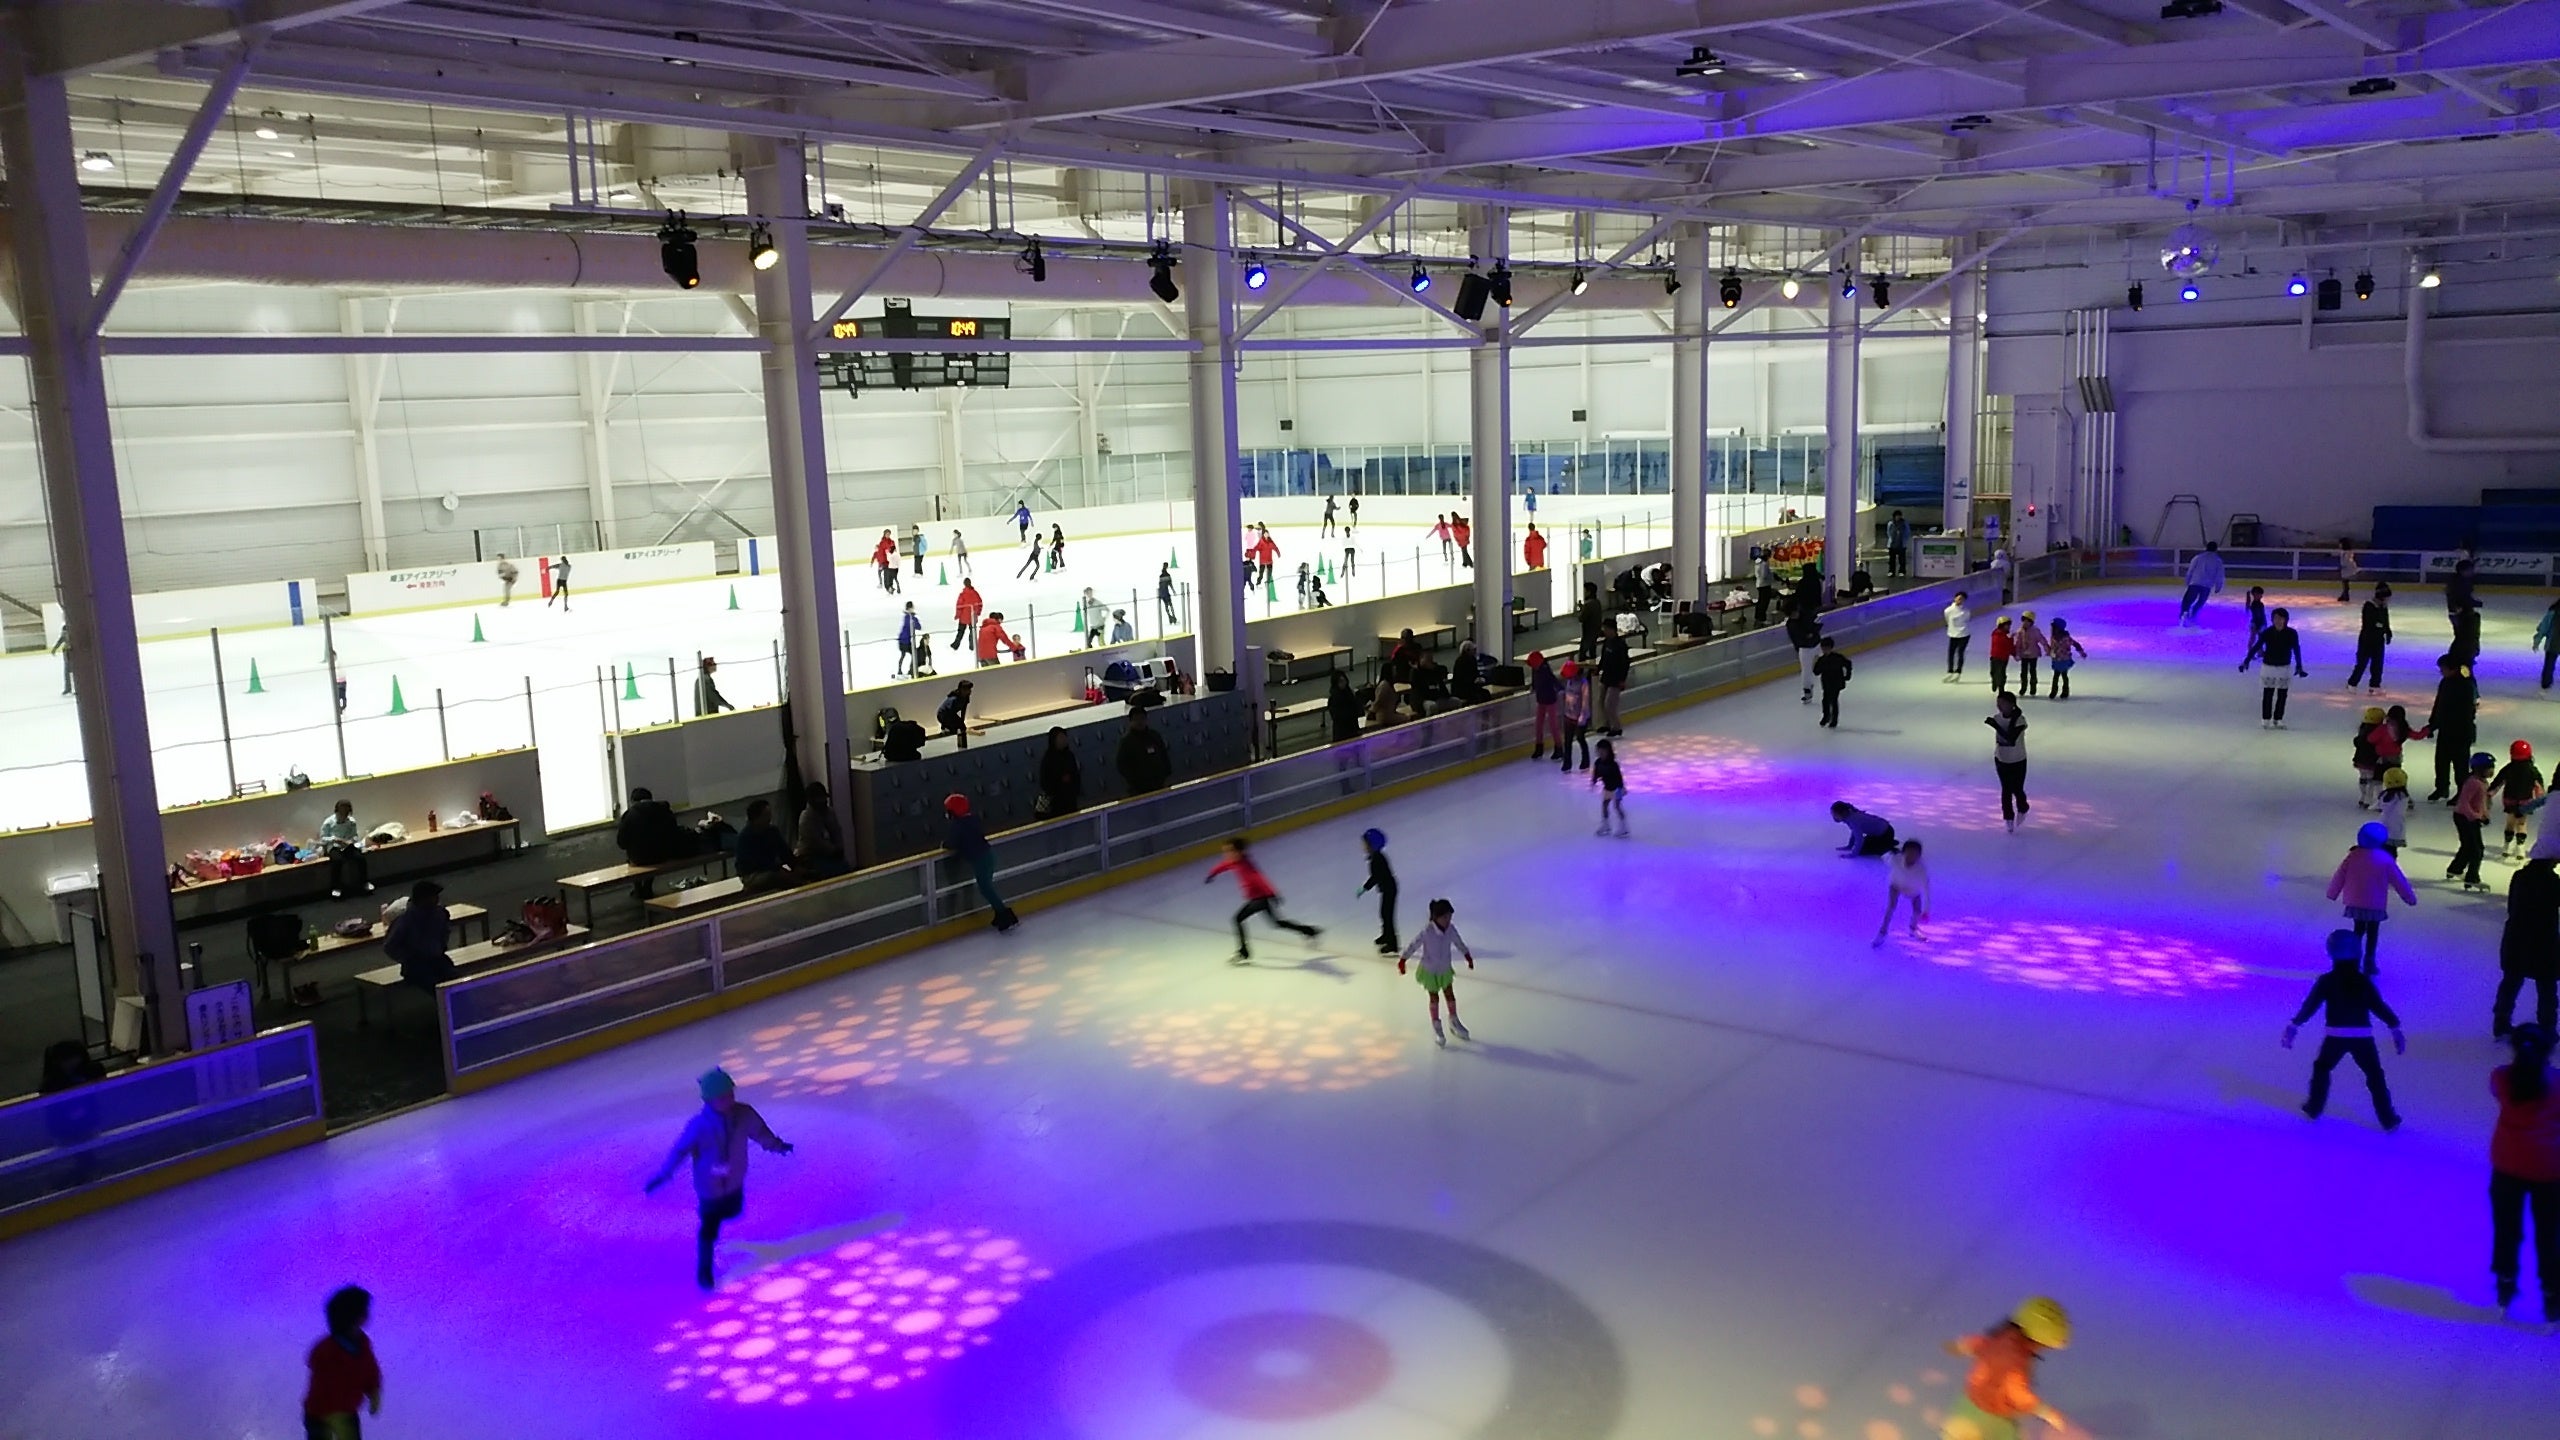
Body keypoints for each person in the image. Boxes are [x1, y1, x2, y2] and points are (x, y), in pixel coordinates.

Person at [644, 1067, 795, 1290]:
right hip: (709, 1187)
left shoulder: (744, 1114)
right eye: (721, 1097)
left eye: (730, 1094)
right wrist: (665, 1173)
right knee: (710, 1226)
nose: (728, 1099)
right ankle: (704, 1270)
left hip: (735, 1178)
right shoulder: (699, 1126)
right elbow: (680, 1150)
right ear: (708, 1100)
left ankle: (721, 1221)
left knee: (733, 1211)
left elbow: (761, 1133)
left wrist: (777, 1146)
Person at [2285, 930, 2406, 1129]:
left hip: (2336, 1036)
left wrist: (2294, 1025)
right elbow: (2378, 1006)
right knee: (2374, 1074)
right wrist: (2394, 1027)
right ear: (2358, 952)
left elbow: (2311, 1005)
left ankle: (2314, 1107)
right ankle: (2388, 1118)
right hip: (2362, 1037)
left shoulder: (2326, 981)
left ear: (2331, 952)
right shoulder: (2363, 981)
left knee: (2322, 1068)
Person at [2489, 1024, 2560, 1322]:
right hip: (2548, 1167)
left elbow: (2497, 1092)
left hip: (2507, 1165)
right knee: (2549, 1234)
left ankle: (2505, 1286)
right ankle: (2552, 1297)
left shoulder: (2500, 1078)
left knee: (2507, 1230)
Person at [1940, 1298, 2073, 1440]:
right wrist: (2046, 1412)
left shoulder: (2000, 1339)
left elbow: (1979, 1344)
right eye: (2044, 1346)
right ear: (2037, 1340)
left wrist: (1959, 1346)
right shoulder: (2016, 1360)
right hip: (1992, 1418)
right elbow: (2017, 1393)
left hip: (1969, 1406)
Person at [1206, 836, 1320, 961]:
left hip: (1259, 899)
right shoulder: (1233, 862)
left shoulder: (1247, 865)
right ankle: (1310, 931)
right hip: (1258, 898)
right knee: (1277, 923)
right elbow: (1223, 866)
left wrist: (1273, 893)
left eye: (1229, 851)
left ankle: (1243, 951)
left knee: (1237, 919)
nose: (1226, 854)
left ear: (1239, 852)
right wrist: (1212, 873)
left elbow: (1260, 878)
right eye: (1225, 851)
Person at [2328, 822, 2418, 973]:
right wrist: (2409, 897)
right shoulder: (2385, 859)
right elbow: (2398, 880)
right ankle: (2369, 960)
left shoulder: (2353, 856)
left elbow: (2340, 875)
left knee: (2358, 930)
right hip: (2375, 903)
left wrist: (2332, 892)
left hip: (2356, 901)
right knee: (2372, 932)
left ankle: (2353, 959)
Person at [301, 1285, 382, 1440]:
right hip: (319, 1414)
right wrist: (331, 1413)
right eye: (364, 1311)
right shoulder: (325, 1351)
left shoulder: (363, 1343)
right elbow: (322, 1384)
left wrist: (374, 1390)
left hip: (347, 1411)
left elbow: (371, 1370)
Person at [2501, 837, 2560, 1038]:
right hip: (2544, 939)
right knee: (2546, 985)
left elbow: (2512, 905)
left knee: (2511, 980)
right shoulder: (2553, 882)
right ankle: (2548, 1026)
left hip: (2516, 935)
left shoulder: (2520, 876)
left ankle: (2501, 1020)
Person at [1399, 898, 1475, 1046]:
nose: (1448, 920)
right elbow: (1414, 945)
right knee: (1434, 997)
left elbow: (1458, 942)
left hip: (1444, 968)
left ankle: (1454, 1020)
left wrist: (1467, 955)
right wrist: (1403, 959)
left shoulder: (1451, 930)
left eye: (1449, 917)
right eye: (1445, 917)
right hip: (1430, 970)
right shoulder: (1427, 932)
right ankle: (1436, 1025)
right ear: (1436, 917)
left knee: (1449, 994)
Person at [943, 795, 1018, 932]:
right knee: (987, 888)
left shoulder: (958, 826)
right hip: (988, 855)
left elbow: (951, 843)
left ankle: (1005, 914)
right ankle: (1000, 913)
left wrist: (945, 844)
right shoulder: (973, 819)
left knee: (985, 889)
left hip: (980, 860)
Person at [2240, 606, 2310, 728]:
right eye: (2276, 618)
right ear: (2272, 619)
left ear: (2286, 619)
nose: (2278, 621)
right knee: (2268, 694)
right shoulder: (2267, 632)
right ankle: (2266, 718)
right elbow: (2257, 646)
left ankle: (2278, 718)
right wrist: (2246, 660)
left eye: (2281, 618)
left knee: (2282, 695)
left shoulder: (2291, 633)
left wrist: (2299, 665)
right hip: (2269, 666)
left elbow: (2296, 649)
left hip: (2284, 667)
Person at [617, 786, 694, 895]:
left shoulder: (628, 815)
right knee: (654, 848)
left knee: (633, 855)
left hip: (639, 858)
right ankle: (647, 886)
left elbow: (622, 843)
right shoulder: (664, 810)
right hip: (663, 855)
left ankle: (638, 889)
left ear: (633, 801)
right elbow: (674, 833)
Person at [2427, 652, 2478, 802]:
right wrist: (2433, 724)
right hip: (2445, 729)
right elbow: (2439, 704)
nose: (2441, 672)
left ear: (2452, 668)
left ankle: (2462, 791)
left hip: (2461, 731)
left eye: (2442, 669)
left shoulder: (2466, 685)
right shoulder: (2445, 682)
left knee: (2460, 764)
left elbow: (2467, 711)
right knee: (2441, 761)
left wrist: (2443, 723)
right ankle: (2441, 787)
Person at [383, 880, 453, 989]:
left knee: (455, 980)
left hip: (437, 959)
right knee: (436, 986)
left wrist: (441, 946)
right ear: (422, 899)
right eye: (433, 896)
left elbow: (445, 931)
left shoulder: (439, 913)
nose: (436, 899)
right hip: (416, 965)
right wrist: (408, 957)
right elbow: (390, 946)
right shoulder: (406, 919)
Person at [1873, 838, 1931, 946]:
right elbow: (1885, 856)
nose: (1911, 857)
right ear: (1903, 853)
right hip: (1896, 885)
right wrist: (1886, 853)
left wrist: (1926, 910)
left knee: (1917, 910)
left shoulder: (1921, 870)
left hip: (1913, 889)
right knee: (1891, 907)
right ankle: (1882, 932)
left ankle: (1913, 928)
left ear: (1919, 856)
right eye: (1909, 853)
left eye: (1915, 854)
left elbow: (1926, 889)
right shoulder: (1895, 859)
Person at [2454, 750, 2497, 891]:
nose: (2492, 771)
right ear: (2479, 769)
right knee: (2477, 849)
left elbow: (2481, 802)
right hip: (2464, 818)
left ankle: (2456, 868)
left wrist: (2484, 815)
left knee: (2468, 846)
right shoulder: (2473, 783)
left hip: (2468, 817)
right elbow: (2463, 803)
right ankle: (2472, 878)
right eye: (2489, 768)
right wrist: (2476, 817)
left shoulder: (2482, 783)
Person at [1987, 691, 2030, 833]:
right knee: (2006, 789)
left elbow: (2011, 739)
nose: (1999, 706)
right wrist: (1995, 724)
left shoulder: (2020, 720)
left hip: (2018, 759)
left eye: (2003, 703)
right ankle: (2008, 817)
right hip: (2001, 759)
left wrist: (1996, 726)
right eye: (1998, 703)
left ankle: (2023, 807)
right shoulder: (1997, 718)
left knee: (2017, 789)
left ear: (2012, 705)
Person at [2497, 740, 2547, 855]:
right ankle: (2520, 847)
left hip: (2510, 799)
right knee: (2521, 823)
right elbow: (2538, 784)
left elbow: (2499, 781)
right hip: (2525, 800)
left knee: (2510, 822)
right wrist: (2540, 796)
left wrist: (2489, 792)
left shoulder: (2508, 768)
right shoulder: (2532, 770)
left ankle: (2507, 845)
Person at [735, 798, 791, 896]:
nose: (770, 818)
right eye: (766, 815)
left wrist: (795, 865)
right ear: (756, 818)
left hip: (772, 868)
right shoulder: (745, 837)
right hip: (752, 874)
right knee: (776, 877)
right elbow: (754, 863)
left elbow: (785, 851)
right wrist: (778, 869)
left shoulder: (772, 831)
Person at [1357, 827, 1399, 955]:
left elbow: (1375, 877)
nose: (1363, 846)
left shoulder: (1377, 859)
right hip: (1387, 888)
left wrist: (1364, 888)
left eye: (1365, 843)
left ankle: (1392, 944)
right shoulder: (1375, 857)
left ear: (1372, 845)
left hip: (1389, 889)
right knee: (1384, 913)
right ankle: (1386, 935)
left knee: (1387, 915)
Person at [318, 799, 371, 899]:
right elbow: (323, 838)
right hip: (334, 846)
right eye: (342, 810)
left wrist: (350, 841)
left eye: (346, 810)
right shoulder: (329, 822)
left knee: (360, 858)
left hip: (347, 845)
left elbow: (355, 836)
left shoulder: (351, 821)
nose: (344, 813)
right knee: (337, 861)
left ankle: (364, 882)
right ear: (337, 810)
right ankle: (336, 887)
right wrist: (335, 839)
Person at [794, 782, 845, 878]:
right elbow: (816, 842)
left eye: (824, 798)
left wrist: (839, 847)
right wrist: (833, 850)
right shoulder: (806, 818)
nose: (823, 801)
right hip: (810, 855)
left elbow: (837, 831)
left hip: (829, 853)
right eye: (819, 798)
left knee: (844, 867)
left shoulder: (830, 812)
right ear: (811, 801)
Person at [2351, 583, 2395, 693]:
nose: (2387, 600)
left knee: (2377, 664)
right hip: (2367, 639)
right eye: (2386, 597)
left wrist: (2388, 632)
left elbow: (2385, 621)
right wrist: (2381, 627)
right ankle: (2352, 683)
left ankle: (2375, 685)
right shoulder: (2369, 606)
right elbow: (2369, 623)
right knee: (2362, 663)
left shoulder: (2383, 607)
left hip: (2379, 640)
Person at [1117, 706, 1172, 795]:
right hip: (1138, 787)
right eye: (1136, 719)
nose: (1140, 722)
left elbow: (1164, 755)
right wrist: (1133, 780)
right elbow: (1121, 765)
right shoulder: (1126, 742)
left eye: (1142, 719)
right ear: (1130, 721)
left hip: (1158, 783)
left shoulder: (1154, 736)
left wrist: (1166, 773)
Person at [1036, 726, 1082, 818]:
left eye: (1064, 737)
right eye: (1060, 738)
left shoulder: (1069, 755)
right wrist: (1060, 781)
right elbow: (1045, 782)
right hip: (1055, 803)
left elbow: (1075, 774)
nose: (1064, 740)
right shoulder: (1048, 759)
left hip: (1070, 799)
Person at [2176, 540, 2224, 624]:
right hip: (2207, 585)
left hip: (2195, 582)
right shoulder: (2218, 561)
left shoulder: (2198, 557)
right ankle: (2193, 615)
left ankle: (2184, 614)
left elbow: (2191, 570)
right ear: (2216, 549)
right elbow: (2219, 574)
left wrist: (2188, 580)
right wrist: (2218, 586)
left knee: (2187, 600)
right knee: (2200, 602)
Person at [1557, 659, 1593, 772]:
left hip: (1580, 716)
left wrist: (1583, 715)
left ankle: (1585, 762)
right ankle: (1567, 763)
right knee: (1567, 741)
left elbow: (1585, 701)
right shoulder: (1569, 681)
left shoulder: (1583, 683)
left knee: (1580, 738)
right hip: (1568, 715)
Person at [1526, 651, 1562, 759]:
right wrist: (1533, 686)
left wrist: (1560, 688)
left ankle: (1559, 748)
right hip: (1541, 699)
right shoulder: (1535, 669)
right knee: (1538, 725)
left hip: (1550, 700)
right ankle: (1539, 747)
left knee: (1553, 725)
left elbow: (1553, 679)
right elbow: (1535, 680)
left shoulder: (1545, 669)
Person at [1785, 603, 1823, 707]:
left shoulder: (1808, 614)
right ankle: (1807, 691)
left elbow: (1818, 624)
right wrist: (1800, 646)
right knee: (1806, 671)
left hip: (1817, 644)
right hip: (1804, 648)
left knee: (1826, 664)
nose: (1794, 616)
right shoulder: (1791, 625)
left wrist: (1812, 633)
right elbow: (1794, 639)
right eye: (1791, 615)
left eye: (1794, 613)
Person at [1830, 800, 1897, 857]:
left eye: (1835, 815)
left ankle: (1887, 845)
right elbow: (1854, 833)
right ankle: (1888, 842)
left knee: (1862, 850)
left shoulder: (1853, 820)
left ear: (1842, 813)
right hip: (1883, 832)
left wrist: (1853, 854)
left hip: (1886, 833)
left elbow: (1859, 838)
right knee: (1864, 845)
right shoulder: (1850, 816)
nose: (1834, 817)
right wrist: (1850, 846)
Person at [1811, 637, 1852, 729]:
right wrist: (1814, 663)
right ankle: (1826, 716)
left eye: (1826, 648)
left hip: (1836, 683)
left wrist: (1847, 675)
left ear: (1830, 648)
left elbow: (1848, 664)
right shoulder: (1821, 660)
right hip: (1826, 683)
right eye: (1823, 649)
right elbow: (1816, 672)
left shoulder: (1838, 658)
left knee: (1833, 700)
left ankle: (1834, 719)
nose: (1824, 650)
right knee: (1825, 700)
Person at [1591, 736, 1628, 837]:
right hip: (1607, 788)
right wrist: (1594, 781)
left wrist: (1621, 788)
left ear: (1608, 751)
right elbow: (1596, 773)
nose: (1601, 753)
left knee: (1617, 806)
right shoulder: (1598, 762)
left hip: (1617, 788)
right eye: (1599, 751)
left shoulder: (1613, 764)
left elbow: (1619, 777)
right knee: (1604, 805)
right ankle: (1606, 825)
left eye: (1603, 751)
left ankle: (1623, 826)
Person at [1595, 629, 1631, 735]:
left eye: (1606, 629)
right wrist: (1598, 669)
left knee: (1609, 704)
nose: (1604, 631)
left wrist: (1622, 679)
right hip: (1606, 676)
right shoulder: (1607, 642)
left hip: (1616, 678)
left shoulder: (1620, 644)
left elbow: (1625, 663)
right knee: (1600, 701)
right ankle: (1606, 724)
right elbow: (1603, 658)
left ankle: (1616, 727)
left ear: (1612, 630)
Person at [2448, 557, 2483, 661]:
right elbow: (2460, 598)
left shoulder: (2461, 581)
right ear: (2464, 571)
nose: (2472, 572)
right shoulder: (2459, 583)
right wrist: (2475, 603)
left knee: (2462, 636)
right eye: (2470, 570)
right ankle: (2462, 656)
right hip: (2461, 613)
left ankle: (2462, 656)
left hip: (2461, 612)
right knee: (2464, 636)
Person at [2047, 617, 2087, 700]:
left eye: (2053, 627)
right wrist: (2050, 652)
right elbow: (2053, 647)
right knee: (2056, 676)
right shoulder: (2053, 637)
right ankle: (2054, 691)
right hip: (2056, 660)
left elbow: (2075, 644)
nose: (2052, 629)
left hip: (2064, 660)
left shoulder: (2065, 638)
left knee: (2063, 676)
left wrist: (2081, 652)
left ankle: (2064, 691)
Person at [2378, 765, 2412, 858]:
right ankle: (2389, 865)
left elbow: (2380, 806)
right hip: (2395, 828)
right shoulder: (2402, 797)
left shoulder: (2384, 795)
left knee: (2385, 849)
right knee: (2391, 851)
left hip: (2384, 825)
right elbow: (2399, 812)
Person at [2013, 611, 2047, 698]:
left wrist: (2047, 648)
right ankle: (2023, 687)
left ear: (2031, 622)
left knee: (2032, 671)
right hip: (2023, 655)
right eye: (2024, 620)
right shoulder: (2020, 631)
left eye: (2027, 621)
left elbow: (2042, 640)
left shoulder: (2035, 631)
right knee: (2023, 672)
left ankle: (2033, 688)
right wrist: (2017, 653)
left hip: (2033, 654)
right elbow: (2017, 644)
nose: (2025, 623)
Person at [1325, 670, 1363, 744]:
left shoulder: (1349, 693)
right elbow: (1336, 716)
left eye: (1344, 680)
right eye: (1340, 681)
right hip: (1342, 731)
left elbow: (1358, 708)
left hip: (1353, 726)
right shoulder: (1334, 698)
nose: (1343, 683)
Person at [1943, 592, 1972, 682]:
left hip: (1964, 634)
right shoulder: (1948, 610)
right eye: (1959, 598)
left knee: (1960, 653)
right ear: (1955, 598)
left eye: (1962, 599)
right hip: (1953, 634)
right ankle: (1950, 671)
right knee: (1951, 653)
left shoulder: (1966, 611)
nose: (1960, 600)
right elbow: (1947, 620)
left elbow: (1966, 620)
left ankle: (1958, 671)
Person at [937, 679, 974, 750]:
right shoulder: (954, 699)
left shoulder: (966, 697)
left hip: (951, 715)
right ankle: (946, 728)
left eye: (970, 689)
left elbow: (964, 709)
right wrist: (945, 725)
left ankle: (963, 747)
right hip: (943, 715)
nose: (969, 691)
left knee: (962, 727)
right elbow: (948, 712)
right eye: (967, 689)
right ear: (961, 690)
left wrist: (962, 721)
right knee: (956, 728)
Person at [950, 578, 984, 652]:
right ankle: (972, 645)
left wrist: (957, 615)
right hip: (973, 616)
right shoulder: (975, 593)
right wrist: (978, 612)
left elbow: (959, 606)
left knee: (960, 631)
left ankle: (956, 645)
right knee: (972, 631)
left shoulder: (962, 594)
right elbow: (980, 603)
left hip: (963, 617)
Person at [894, 602, 924, 677]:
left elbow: (919, 627)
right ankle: (904, 670)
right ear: (910, 608)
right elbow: (913, 625)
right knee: (910, 654)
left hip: (905, 640)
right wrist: (914, 618)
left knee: (909, 654)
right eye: (912, 608)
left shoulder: (909, 617)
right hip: (904, 640)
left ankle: (908, 670)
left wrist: (914, 617)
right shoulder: (907, 617)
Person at [1751, 547, 1778, 629]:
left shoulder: (1758, 562)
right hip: (1765, 585)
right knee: (1764, 603)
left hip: (1759, 584)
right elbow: (1764, 575)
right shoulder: (1764, 564)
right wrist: (1772, 576)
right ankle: (1762, 619)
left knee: (1760, 602)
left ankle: (1758, 618)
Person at [2538, 596, 2560, 692]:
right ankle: (2546, 682)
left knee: (2549, 663)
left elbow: (2544, 627)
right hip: (2553, 642)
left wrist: (2538, 639)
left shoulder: (2553, 612)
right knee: (2550, 663)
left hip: (2553, 643)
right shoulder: (2553, 613)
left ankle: (2546, 683)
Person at [2240, 584, 2268, 660]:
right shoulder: (2254, 604)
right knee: (2253, 638)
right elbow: (2248, 607)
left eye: (2260, 594)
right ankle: (2251, 652)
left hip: (2260, 622)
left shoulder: (2260, 604)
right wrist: (2248, 596)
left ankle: (2260, 652)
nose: (2260, 596)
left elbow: (2262, 614)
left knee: (2260, 638)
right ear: (2254, 595)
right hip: (2255, 623)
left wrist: (2264, 623)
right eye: (2258, 594)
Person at [1885, 509, 1911, 578]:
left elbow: (1907, 532)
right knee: (1892, 559)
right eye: (1896, 516)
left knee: (1902, 559)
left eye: (1899, 516)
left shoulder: (1904, 523)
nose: (1898, 517)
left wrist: (1904, 539)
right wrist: (1892, 538)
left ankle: (1902, 571)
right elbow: (1888, 532)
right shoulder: (1890, 523)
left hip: (1901, 544)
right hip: (1892, 544)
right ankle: (1891, 571)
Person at [2337, 537, 2358, 602]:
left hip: (2348, 569)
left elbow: (2347, 561)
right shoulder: (2344, 552)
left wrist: (2343, 566)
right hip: (2346, 569)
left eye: (2340, 544)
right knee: (2345, 583)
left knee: (2345, 582)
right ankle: (2344, 595)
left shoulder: (2347, 553)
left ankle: (2345, 596)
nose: (2339, 545)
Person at [1158, 563, 1178, 629]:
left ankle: (1170, 617)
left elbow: (1160, 585)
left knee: (1166, 605)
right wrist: (1173, 591)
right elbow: (1170, 584)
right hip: (1166, 593)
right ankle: (1173, 617)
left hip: (1162, 593)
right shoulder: (1168, 575)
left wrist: (1159, 594)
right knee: (1170, 605)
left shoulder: (1161, 576)